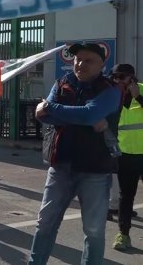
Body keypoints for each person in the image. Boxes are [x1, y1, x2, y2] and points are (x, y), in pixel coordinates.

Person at [28, 43, 121, 264]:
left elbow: (90, 114)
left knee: (94, 230)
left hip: (94, 171)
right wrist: (83, 117)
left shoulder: (111, 89)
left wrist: (52, 108)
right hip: (60, 167)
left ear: (102, 65)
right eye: (78, 59)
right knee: (45, 223)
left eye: (88, 60)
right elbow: (42, 116)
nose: (80, 64)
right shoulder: (62, 83)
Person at [110, 64, 143, 251]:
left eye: (122, 77)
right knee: (126, 197)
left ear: (132, 78)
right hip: (125, 154)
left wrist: (138, 96)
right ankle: (123, 234)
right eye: (115, 77)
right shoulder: (114, 96)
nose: (118, 80)